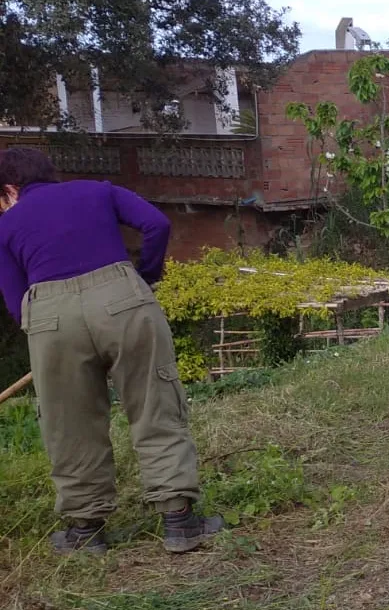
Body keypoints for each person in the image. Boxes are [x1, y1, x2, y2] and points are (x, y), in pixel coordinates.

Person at [0, 146, 222, 555]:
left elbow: (16, 303)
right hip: (123, 300)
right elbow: (156, 224)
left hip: (50, 317)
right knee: (154, 403)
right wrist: (144, 278)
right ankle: (179, 521)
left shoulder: (6, 224)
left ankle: (86, 532)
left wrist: (50, 328)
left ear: (10, 189)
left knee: (69, 422)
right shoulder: (98, 190)